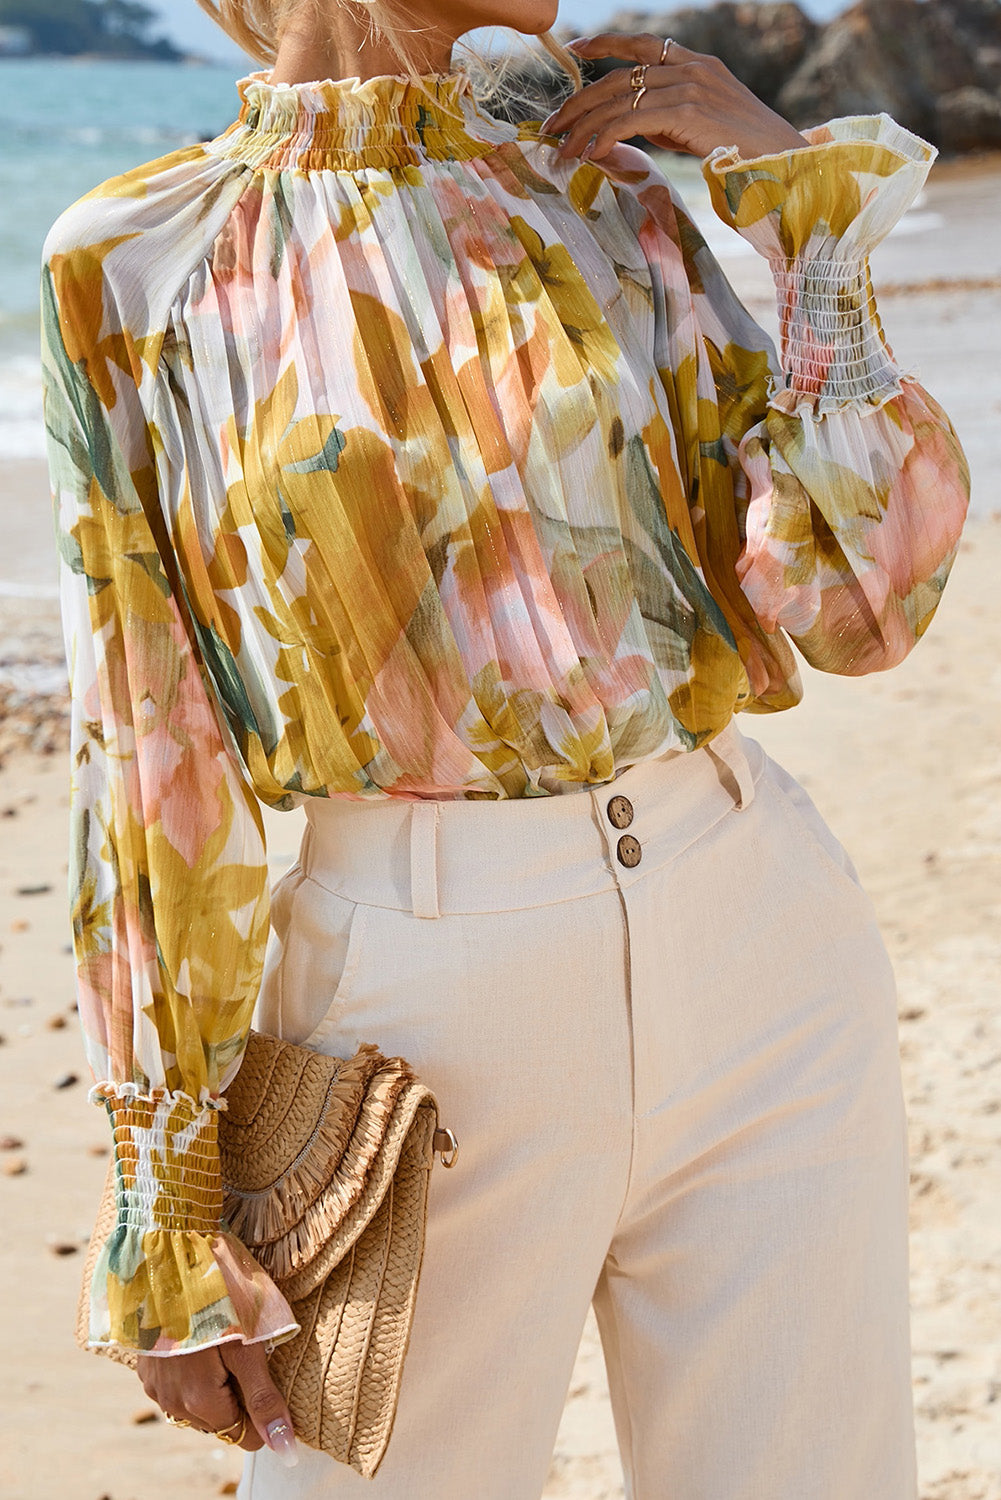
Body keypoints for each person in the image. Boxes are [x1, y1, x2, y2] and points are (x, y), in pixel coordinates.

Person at [39, 0, 970, 1492]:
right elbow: (152, 752)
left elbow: (865, 604)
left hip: (759, 945)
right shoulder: (136, 259)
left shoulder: (610, 191)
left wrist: (802, 217)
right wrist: (164, 1192)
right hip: (408, 1017)